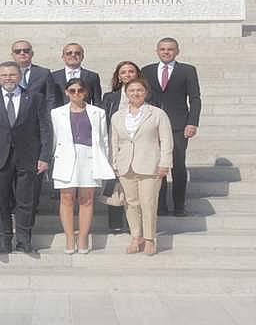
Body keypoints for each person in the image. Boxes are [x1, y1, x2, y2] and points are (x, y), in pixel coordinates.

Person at [0, 61, 50, 255]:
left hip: (28, 157)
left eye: (13, 75)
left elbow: (44, 129)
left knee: (26, 200)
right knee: (0, 201)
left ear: (20, 77)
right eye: (4, 75)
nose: (8, 78)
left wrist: (44, 156)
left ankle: (24, 239)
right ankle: (5, 240)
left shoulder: (34, 98)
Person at [109, 78, 173, 256]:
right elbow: (114, 142)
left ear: (146, 93)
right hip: (125, 165)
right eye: (131, 91)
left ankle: (150, 238)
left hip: (150, 165)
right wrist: (114, 164)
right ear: (126, 93)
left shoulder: (157, 114)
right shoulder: (118, 116)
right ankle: (136, 236)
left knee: (148, 203)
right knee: (130, 204)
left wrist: (165, 164)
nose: (135, 93)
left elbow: (166, 140)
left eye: (139, 90)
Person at [52, 78, 114, 254]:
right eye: (72, 90)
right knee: (66, 199)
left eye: (80, 90)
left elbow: (103, 139)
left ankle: (83, 236)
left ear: (85, 92)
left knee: (86, 200)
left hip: (89, 157)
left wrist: (105, 161)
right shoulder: (56, 113)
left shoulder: (97, 112)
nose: (76, 94)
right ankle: (70, 236)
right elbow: (55, 139)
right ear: (66, 92)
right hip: (66, 158)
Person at [141, 37, 201, 217]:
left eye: (170, 49)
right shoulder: (147, 70)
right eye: (163, 49)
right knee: (157, 166)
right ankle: (160, 206)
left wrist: (192, 122)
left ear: (177, 51)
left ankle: (179, 205)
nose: (166, 52)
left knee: (178, 165)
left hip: (178, 125)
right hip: (153, 124)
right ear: (157, 51)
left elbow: (195, 98)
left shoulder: (187, 70)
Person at [100, 60, 142, 232]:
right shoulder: (110, 97)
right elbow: (103, 121)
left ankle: (136, 225)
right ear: (118, 76)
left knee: (135, 184)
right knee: (115, 183)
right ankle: (116, 223)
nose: (127, 75)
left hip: (137, 144)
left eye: (131, 71)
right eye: (123, 72)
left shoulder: (147, 96)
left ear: (137, 74)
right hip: (115, 143)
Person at [49, 42, 102, 110]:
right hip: (60, 116)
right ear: (63, 57)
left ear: (82, 57)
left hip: (84, 115)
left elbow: (97, 101)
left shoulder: (92, 76)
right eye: (69, 53)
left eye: (77, 53)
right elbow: (49, 100)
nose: (73, 55)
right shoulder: (53, 77)